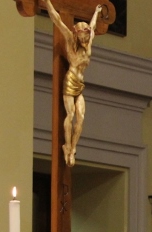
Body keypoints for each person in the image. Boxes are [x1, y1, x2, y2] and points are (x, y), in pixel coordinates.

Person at [44, 0, 105, 166]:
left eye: (86, 36)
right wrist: (47, 2)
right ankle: (67, 146)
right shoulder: (70, 40)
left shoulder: (88, 43)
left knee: (81, 118)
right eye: (82, 36)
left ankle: (73, 148)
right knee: (70, 115)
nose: (85, 39)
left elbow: (93, 26)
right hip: (70, 81)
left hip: (80, 84)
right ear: (76, 34)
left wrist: (97, 12)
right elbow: (57, 19)